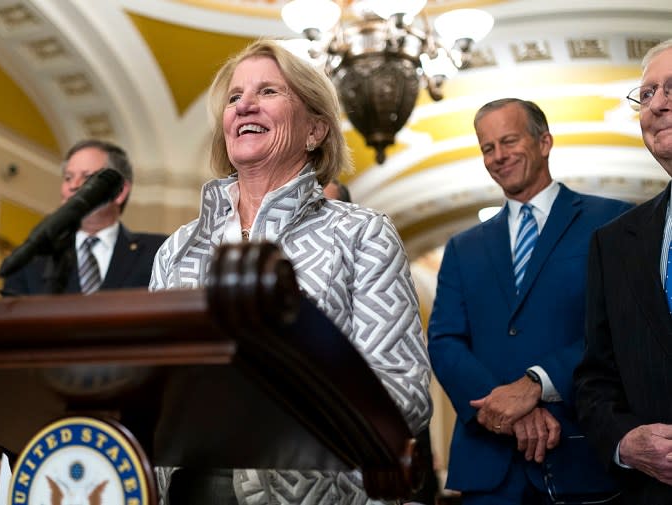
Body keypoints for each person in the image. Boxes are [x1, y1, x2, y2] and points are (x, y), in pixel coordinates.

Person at [150, 39, 431, 505]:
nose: (245, 106)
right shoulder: (178, 248)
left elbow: (403, 390)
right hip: (187, 486)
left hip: (314, 491)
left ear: (315, 130)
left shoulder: (362, 234)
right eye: (235, 97)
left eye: (268, 92)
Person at [427, 98, 631, 503]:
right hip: (489, 469)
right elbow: (444, 341)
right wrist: (504, 407)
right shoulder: (461, 247)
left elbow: (622, 327)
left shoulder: (612, 222)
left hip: (584, 455)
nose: (498, 156)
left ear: (544, 142)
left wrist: (537, 383)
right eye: (488, 148)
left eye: (509, 141)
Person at [573, 38, 672, 503]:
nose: (657, 105)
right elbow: (595, 379)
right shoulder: (613, 243)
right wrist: (625, 442)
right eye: (647, 93)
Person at [2, 139, 166, 295]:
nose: (73, 186)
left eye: (87, 177)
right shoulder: (31, 259)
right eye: (68, 178)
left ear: (120, 191)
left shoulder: (159, 253)